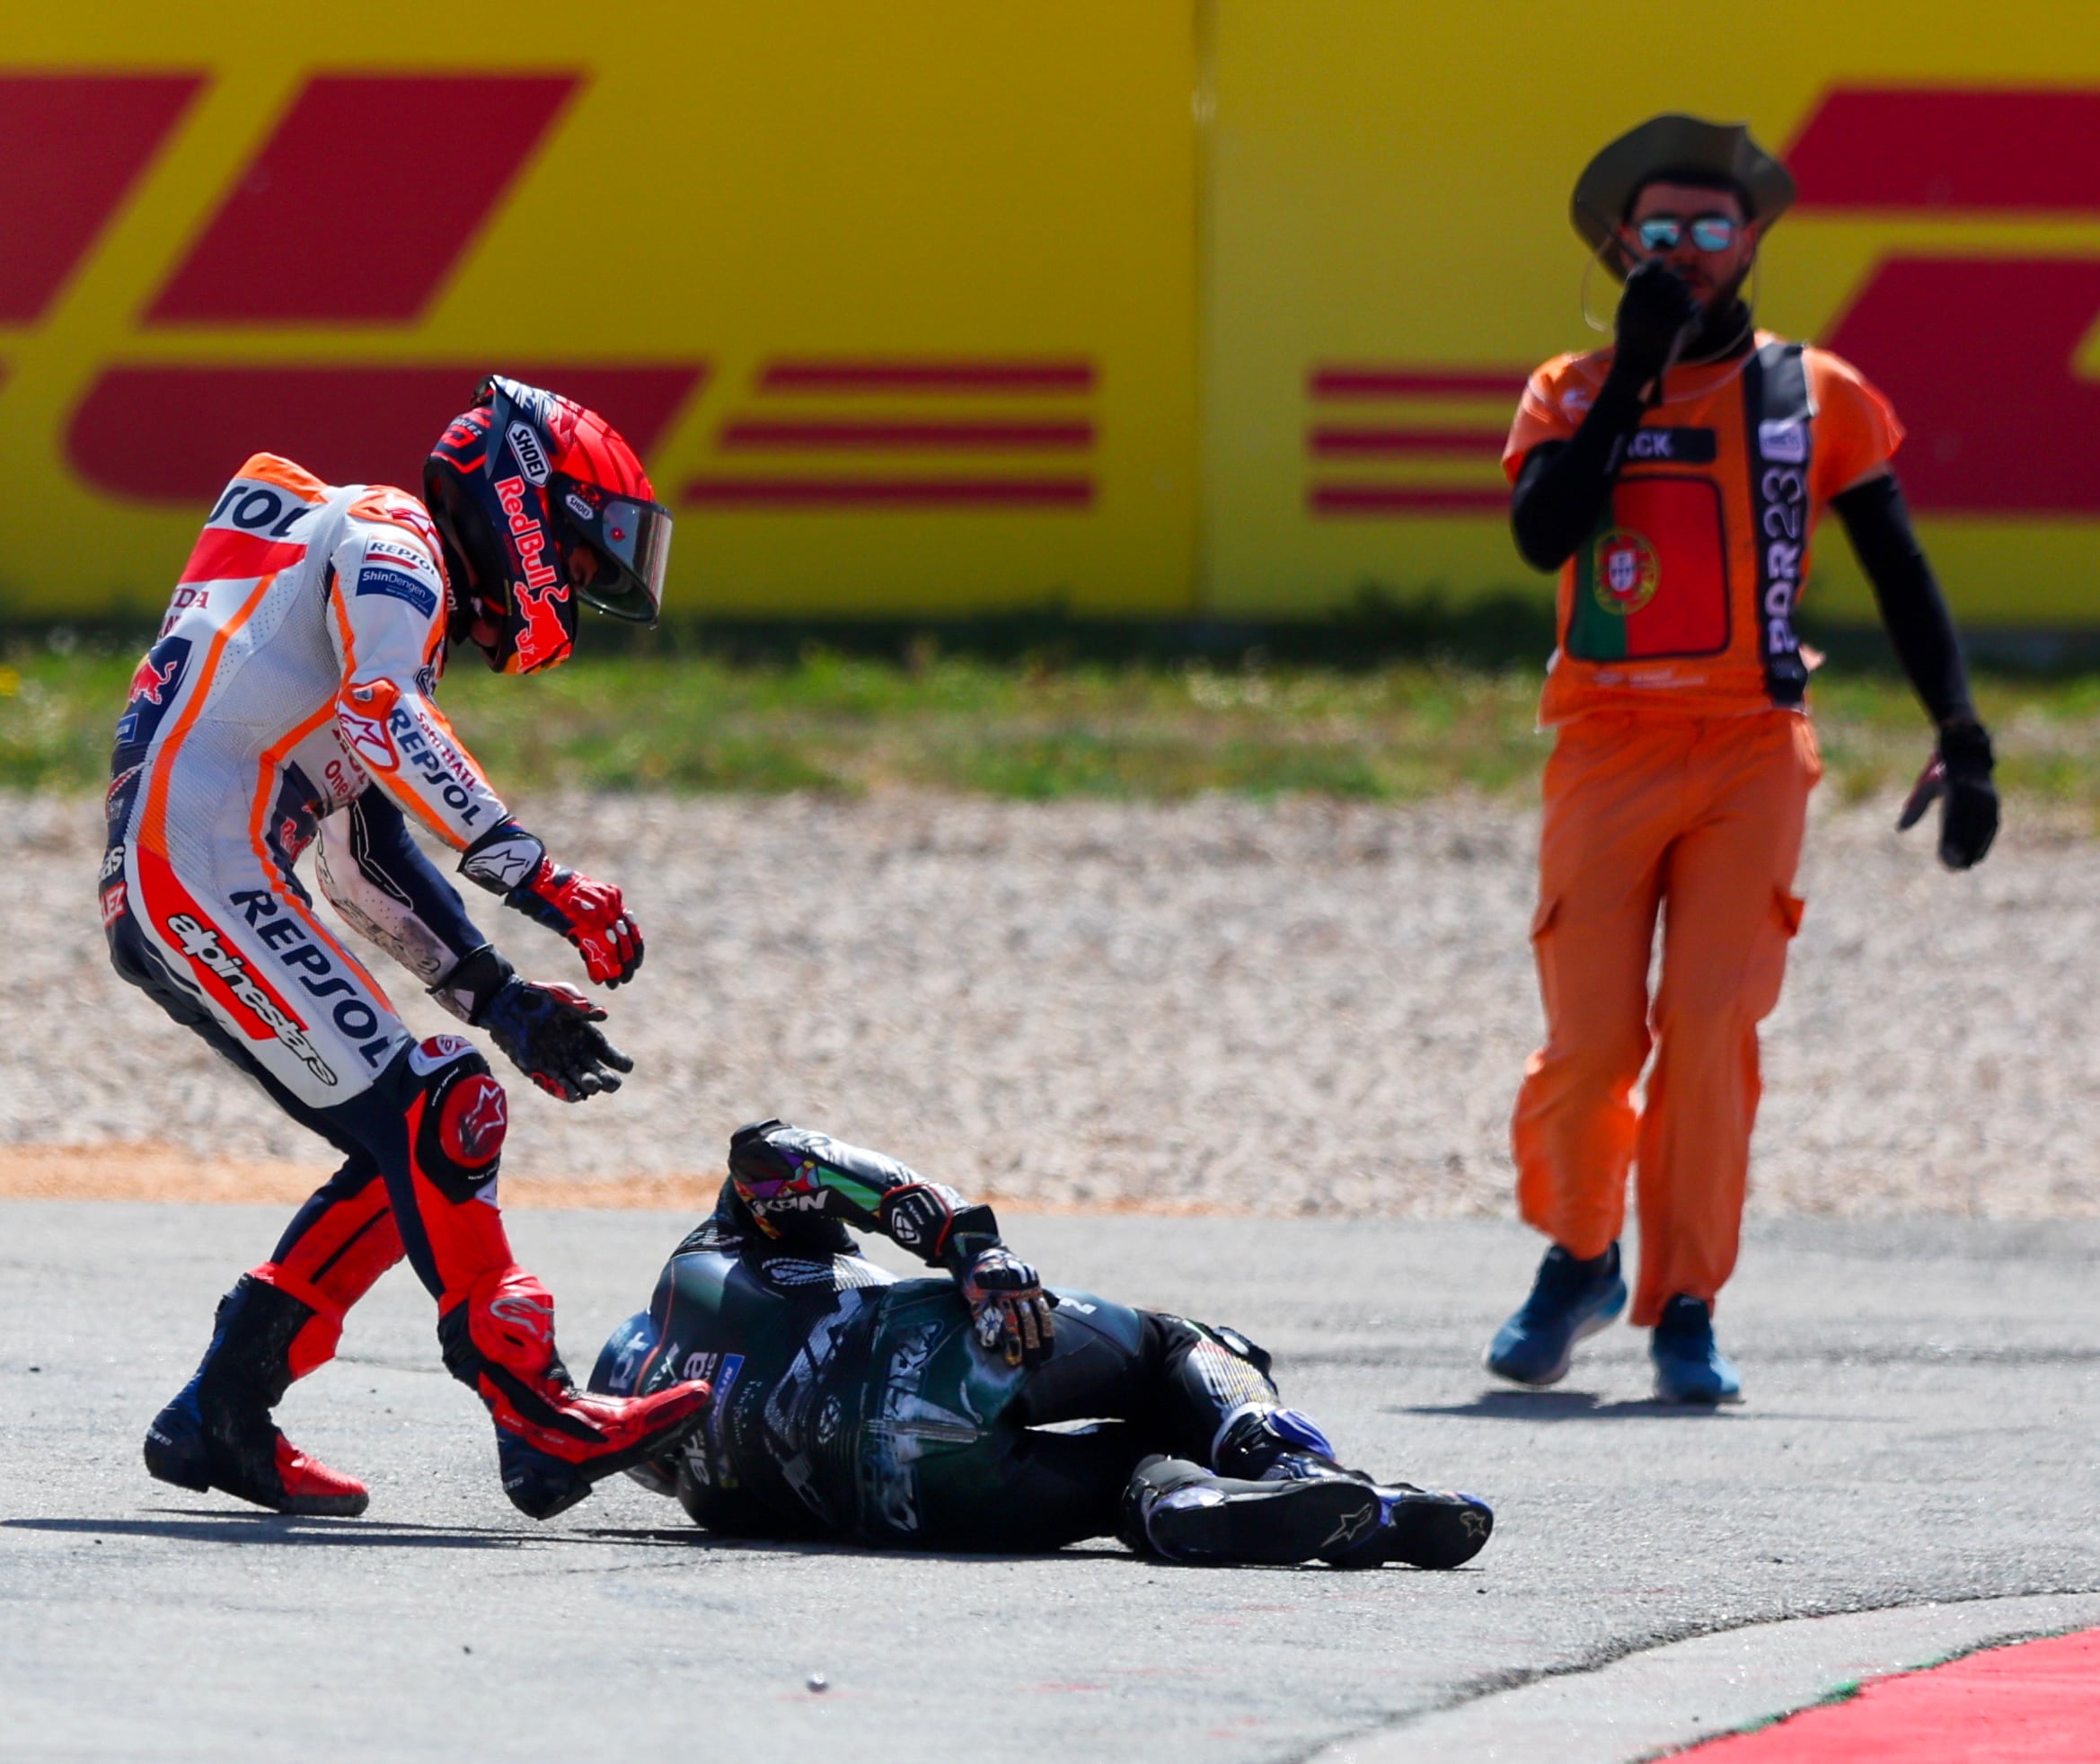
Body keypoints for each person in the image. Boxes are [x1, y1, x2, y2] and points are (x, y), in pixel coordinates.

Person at [103, 375, 710, 1518]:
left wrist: (497, 997)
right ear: (527, 503)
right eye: (577, 566)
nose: (569, 599)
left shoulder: (344, 573)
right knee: (443, 1108)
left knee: (413, 1146)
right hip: (196, 866)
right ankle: (538, 1412)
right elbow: (386, 718)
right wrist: (544, 879)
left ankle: (219, 1415)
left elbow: (362, 850)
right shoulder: (396, 535)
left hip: (190, 870)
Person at [1491, 117, 2000, 1404]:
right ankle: (1581, 1254)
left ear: (1753, 239)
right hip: (1605, 745)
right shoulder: (1565, 386)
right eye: (1657, 233)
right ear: (1620, 248)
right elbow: (1545, 536)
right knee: (1589, 1049)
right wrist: (1635, 375)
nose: (1684, 252)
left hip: (1749, 749)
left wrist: (1961, 733)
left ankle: (1686, 1305)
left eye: (1708, 229)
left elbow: (1897, 566)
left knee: (1709, 1032)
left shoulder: (1812, 395)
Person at [587, 1121, 1495, 1567]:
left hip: (928, 1507)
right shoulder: (705, 1259)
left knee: (1126, 1480)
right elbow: (774, 1148)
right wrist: (972, 1250)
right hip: (940, 1351)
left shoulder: (710, 1500)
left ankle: (1184, 1507)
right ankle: (1296, 1467)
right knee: (1178, 1343)